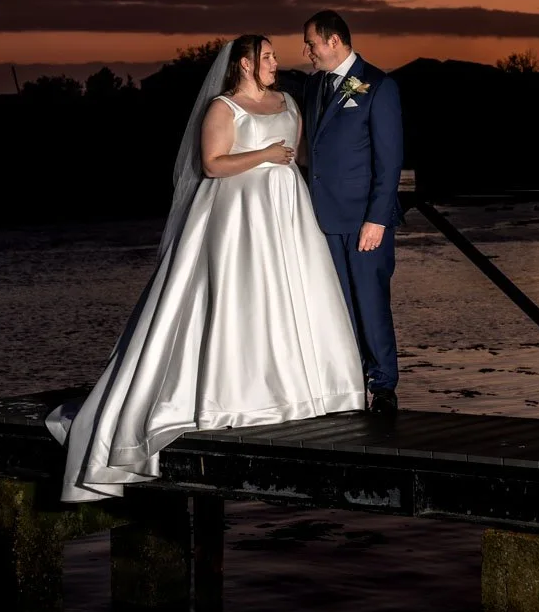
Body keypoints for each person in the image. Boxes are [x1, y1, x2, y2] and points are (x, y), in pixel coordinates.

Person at [45, 35, 367, 502]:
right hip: (238, 217)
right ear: (244, 64)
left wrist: (286, 167)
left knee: (294, 295)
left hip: (286, 214)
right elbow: (213, 166)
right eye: (268, 56)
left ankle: (306, 391)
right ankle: (233, 394)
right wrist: (264, 156)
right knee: (241, 299)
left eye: (275, 55)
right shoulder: (223, 108)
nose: (277, 62)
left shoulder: (287, 102)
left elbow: (293, 155)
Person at [301, 10, 405, 416]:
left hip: (365, 222)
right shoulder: (313, 87)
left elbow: (390, 160)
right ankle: (347, 383)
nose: (306, 51)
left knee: (371, 302)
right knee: (337, 305)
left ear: (333, 41)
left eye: (310, 43)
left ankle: (383, 386)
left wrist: (377, 219)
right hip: (322, 220)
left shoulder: (379, 86)